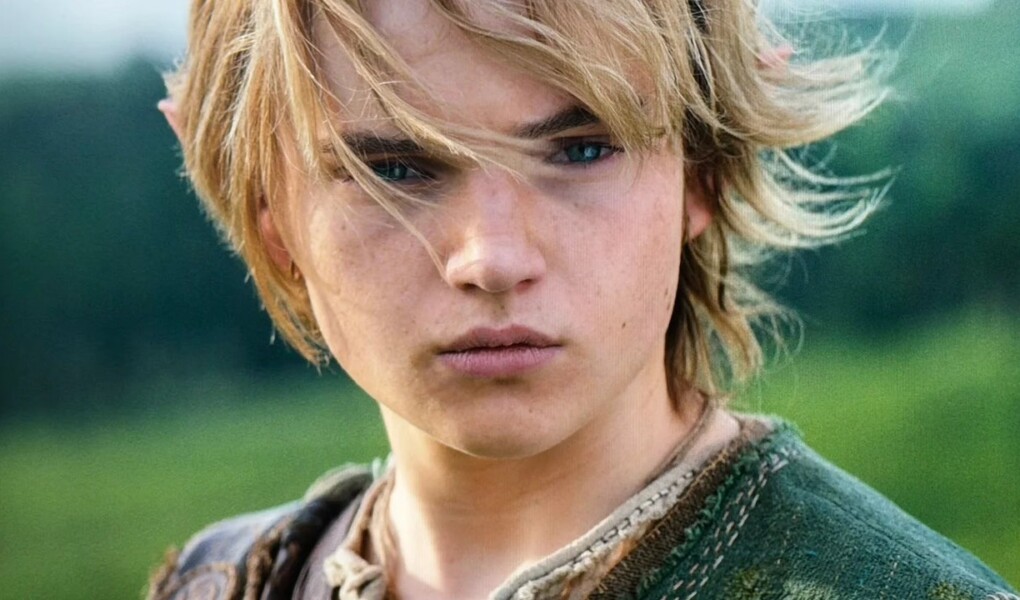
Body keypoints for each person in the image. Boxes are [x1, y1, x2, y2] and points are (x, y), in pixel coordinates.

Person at [149, 0, 1016, 598]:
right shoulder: (216, 582)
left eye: (581, 150)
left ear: (703, 171)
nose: (493, 259)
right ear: (269, 214)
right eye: (397, 168)